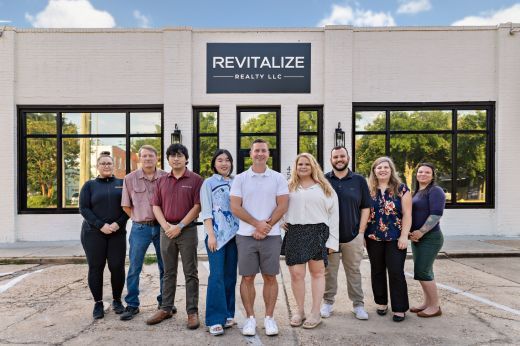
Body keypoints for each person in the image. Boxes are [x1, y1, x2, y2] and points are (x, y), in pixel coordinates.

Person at [230, 139, 289, 337]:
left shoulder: (278, 178)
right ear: (251, 153)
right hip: (246, 236)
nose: (260, 154)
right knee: (247, 277)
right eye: (257, 151)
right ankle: (250, 318)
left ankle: (270, 319)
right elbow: (235, 207)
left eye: (264, 150)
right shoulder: (240, 178)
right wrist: (257, 224)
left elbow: (282, 205)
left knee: (270, 277)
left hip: (271, 236)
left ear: (268, 154)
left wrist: (266, 227)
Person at [145, 144, 203, 329]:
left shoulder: (195, 180)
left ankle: (192, 312)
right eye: (172, 156)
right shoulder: (161, 181)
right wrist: (166, 226)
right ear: (168, 159)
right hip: (166, 230)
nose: (176, 159)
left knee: (190, 272)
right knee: (168, 272)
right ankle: (166, 308)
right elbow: (156, 206)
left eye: (179, 155)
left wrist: (180, 226)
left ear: (186, 158)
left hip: (187, 230)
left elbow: (197, 206)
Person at [283, 153, 339, 329]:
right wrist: (279, 222)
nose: (303, 167)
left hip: (318, 233)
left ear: (313, 166)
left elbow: (334, 215)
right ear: (295, 166)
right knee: (296, 275)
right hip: (295, 233)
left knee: (317, 274)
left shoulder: (325, 188)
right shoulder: (288, 187)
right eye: (300, 164)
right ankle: (299, 311)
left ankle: (315, 312)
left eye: (307, 164)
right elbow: (277, 206)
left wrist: (332, 242)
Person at [120, 145, 169, 321]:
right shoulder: (130, 178)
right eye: (144, 156)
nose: (148, 158)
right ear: (139, 158)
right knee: (134, 267)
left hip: (162, 228)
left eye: (151, 155)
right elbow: (126, 205)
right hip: (140, 228)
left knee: (166, 267)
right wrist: (138, 217)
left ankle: (165, 303)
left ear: (157, 158)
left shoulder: (165, 177)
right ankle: (132, 305)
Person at [321, 146, 370, 320]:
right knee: (329, 272)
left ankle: (358, 305)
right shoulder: (323, 180)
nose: (339, 159)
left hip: (352, 236)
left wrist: (361, 232)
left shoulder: (358, 180)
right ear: (331, 160)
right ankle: (327, 303)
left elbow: (366, 207)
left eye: (342, 156)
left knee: (354, 271)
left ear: (348, 158)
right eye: (336, 157)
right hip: (329, 237)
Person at [79, 151, 129, 319]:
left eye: (109, 163)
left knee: (116, 267)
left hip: (117, 233)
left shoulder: (123, 184)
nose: (106, 166)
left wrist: (117, 224)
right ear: (97, 166)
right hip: (93, 233)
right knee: (96, 267)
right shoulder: (89, 186)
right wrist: (101, 225)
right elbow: (84, 209)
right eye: (103, 163)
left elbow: (129, 207)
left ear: (113, 166)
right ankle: (98, 303)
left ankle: (117, 300)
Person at [365, 156, 411, 322]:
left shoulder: (402, 189)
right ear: (374, 171)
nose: (382, 170)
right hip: (372, 237)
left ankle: (399, 308)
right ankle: (381, 302)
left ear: (391, 170)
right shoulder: (368, 189)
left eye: (385, 167)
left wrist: (404, 235)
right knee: (377, 271)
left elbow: (407, 214)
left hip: (395, 238)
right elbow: (363, 213)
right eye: (379, 168)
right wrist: (363, 234)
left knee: (396, 271)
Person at [200, 149, 240, 336]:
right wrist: (211, 235)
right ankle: (215, 319)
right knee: (216, 276)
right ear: (214, 164)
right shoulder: (209, 183)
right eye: (220, 160)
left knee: (230, 276)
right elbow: (206, 211)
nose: (224, 163)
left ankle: (228, 314)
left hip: (236, 236)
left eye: (227, 160)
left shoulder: (236, 181)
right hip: (217, 236)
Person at [409, 163, 445, 318]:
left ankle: (435, 306)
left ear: (432, 175)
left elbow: (436, 215)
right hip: (418, 238)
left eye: (427, 172)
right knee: (424, 271)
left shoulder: (435, 191)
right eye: (420, 171)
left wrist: (421, 232)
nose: (423, 174)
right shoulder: (417, 192)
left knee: (422, 271)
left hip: (430, 238)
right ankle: (427, 303)